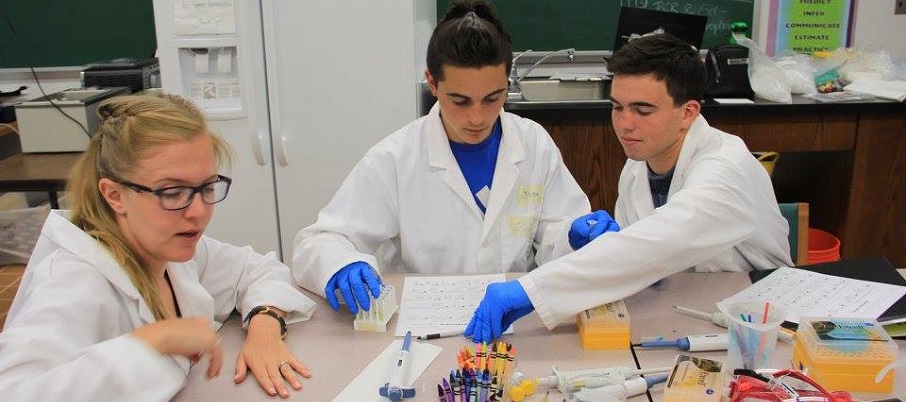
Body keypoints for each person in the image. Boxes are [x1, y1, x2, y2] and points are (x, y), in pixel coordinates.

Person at [465, 33, 793, 343]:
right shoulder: (637, 166)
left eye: (642, 109)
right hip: (678, 310)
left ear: (688, 112)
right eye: (617, 106)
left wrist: (532, 290)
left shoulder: (726, 165)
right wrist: (595, 246)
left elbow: (664, 240)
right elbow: (636, 262)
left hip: (760, 320)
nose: (624, 123)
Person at [292, 0, 613, 315]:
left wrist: (573, 234)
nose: (477, 117)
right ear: (432, 82)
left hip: (510, 317)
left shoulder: (532, 143)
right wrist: (343, 263)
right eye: (460, 100)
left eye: (493, 98)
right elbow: (319, 241)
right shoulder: (394, 158)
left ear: (507, 81)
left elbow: (554, 234)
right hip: (423, 324)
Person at [0, 94, 317, 400]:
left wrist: (264, 324)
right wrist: (150, 342)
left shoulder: (167, 250)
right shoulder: (73, 283)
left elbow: (256, 269)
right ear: (114, 195)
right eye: (172, 192)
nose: (198, 211)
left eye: (206, 187)